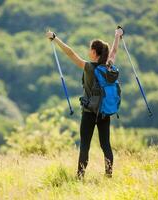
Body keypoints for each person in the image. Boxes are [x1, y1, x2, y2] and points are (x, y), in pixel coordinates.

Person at [46, 27, 123, 178]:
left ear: (94, 52)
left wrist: (55, 38)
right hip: (104, 112)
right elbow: (113, 52)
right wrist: (117, 36)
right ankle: (109, 175)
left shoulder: (89, 67)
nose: (88, 52)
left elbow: (71, 53)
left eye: (90, 49)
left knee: (85, 146)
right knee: (105, 145)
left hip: (89, 113)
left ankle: (80, 176)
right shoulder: (108, 66)